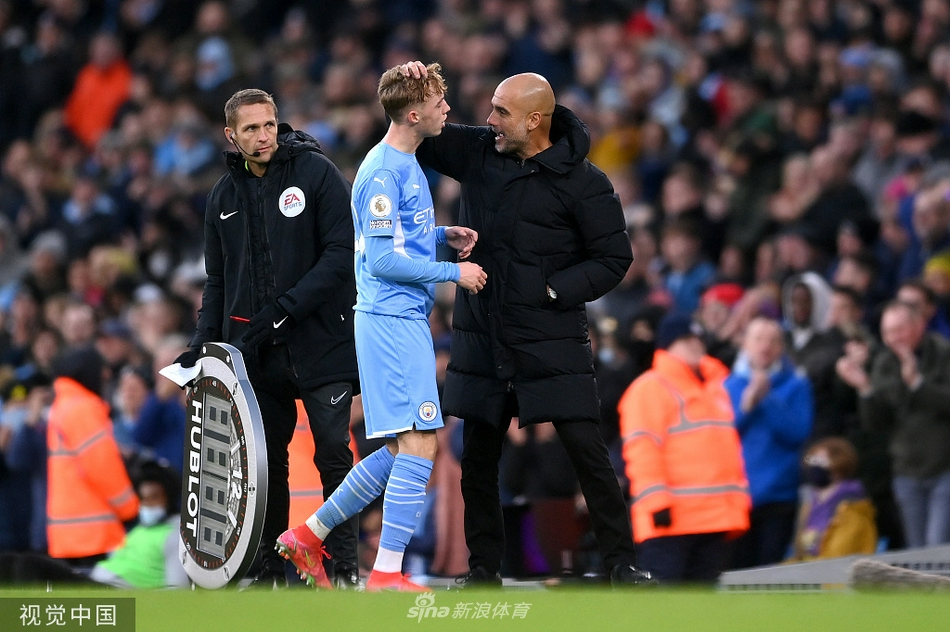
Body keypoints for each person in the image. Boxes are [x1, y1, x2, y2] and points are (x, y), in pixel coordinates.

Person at [407, 63, 651, 586]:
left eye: (502, 111)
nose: (489, 119)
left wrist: (554, 290)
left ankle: (622, 566)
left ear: (535, 119)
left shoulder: (585, 183)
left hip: (550, 336)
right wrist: (412, 88)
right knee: (477, 461)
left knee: (588, 453)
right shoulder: (478, 151)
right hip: (482, 336)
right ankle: (482, 570)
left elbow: (614, 258)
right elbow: (419, 132)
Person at [275, 63, 486, 592]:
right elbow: (382, 263)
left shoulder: (403, 163)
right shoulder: (383, 172)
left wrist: (440, 236)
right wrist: (452, 273)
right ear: (414, 114)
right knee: (422, 447)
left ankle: (309, 533)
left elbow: (391, 240)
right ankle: (387, 572)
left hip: (399, 319)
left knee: (399, 449)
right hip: (391, 321)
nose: (447, 109)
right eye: (439, 101)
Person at [174, 88, 360, 588]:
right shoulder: (222, 196)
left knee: (333, 455)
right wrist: (201, 346)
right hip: (258, 353)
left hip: (322, 342)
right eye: (252, 128)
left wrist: (284, 311)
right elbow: (219, 281)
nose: (264, 136)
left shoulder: (316, 173)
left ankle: (345, 568)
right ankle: (272, 569)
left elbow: (343, 255)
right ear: (231, 136)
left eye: (270, 124)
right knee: (265, 465)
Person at [618, 312, 750, 582]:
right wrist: (657, 504)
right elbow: (642, 450)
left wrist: (736, 507)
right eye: (684, 338)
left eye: (696, 337)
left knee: (699, 613)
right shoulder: (650, 388)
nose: (694, 343)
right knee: (665, 612)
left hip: (715, 519)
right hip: (670, 522)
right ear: (666, 346)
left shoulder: (715, 389)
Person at [836, 301, 950, 548]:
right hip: (906, 471)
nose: (894, 338)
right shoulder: (885, 363)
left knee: (938, 546)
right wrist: (864, 387)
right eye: (888, 332)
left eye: (900, 329)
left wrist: (918, 384)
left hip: (944, 468)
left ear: (919, 325)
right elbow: (876, 423)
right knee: (918, 551)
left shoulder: (943, 354)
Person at [724, 316, 813, 568]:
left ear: (782, 347)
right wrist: (747, 405)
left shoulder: (797, 385)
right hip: (737, 497)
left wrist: (767, 398)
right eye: (759, 339)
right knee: (736, 573)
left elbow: (798, 433)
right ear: (745, 344)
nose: (765, 346)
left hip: (779, 497)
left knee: (770, 573)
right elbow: (722, 434)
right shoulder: (729, 385)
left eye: (773, 340)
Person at [46, 346, 139, 564]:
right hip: (92, 533)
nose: (106, 375)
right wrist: (131, 509)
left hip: (71, 532)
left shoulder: (64, 405)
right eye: (101, 369)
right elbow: (102, 467)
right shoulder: (82, 408)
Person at [788, 437, 877, 562]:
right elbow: (798, 556)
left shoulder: (852, 508)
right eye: (812, 460)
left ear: (839, 465)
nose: (814, 466)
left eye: (821, 461)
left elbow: (838, 558)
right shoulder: (809, 507)